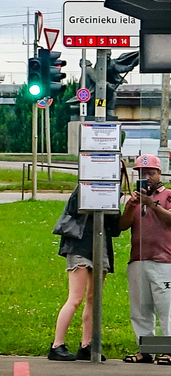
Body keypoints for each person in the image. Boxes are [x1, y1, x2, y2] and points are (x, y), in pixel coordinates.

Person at [48, 186, 119, 361]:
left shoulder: (114, 191)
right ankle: (57, 345)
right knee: (76, 298)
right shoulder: (84, 187)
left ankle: (86, 345)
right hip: (79, 244)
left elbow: (116, 229)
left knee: (93, 299)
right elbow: (73, 209)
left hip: (100, 246)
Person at [119, 154, 171, 364]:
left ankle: (168, 350)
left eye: (151, 173)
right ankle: (147, 350)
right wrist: (131, 206)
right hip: (138, 259)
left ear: (160, 174)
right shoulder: (135, 199)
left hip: (165, 260)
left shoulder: (167, 195)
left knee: (166, 308)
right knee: (140, 309)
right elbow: (122, 226)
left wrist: (152, 204)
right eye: (142, 173)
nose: (147, 177)